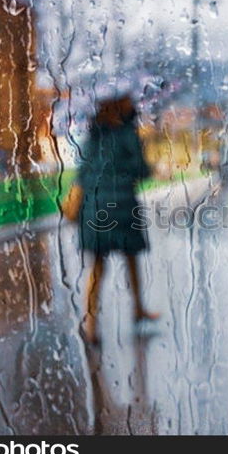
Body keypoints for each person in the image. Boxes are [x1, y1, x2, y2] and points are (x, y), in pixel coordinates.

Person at [77, 95, 159, 345]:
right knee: (131, 258)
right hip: (123, 205)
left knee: (97, 266)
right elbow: (141, 171)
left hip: (95, 207)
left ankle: (90, 324)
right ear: (120, 106)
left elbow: (82, 173)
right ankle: (138, 308)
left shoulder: (93, 135)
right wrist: (148, 163)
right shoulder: (128, 134)